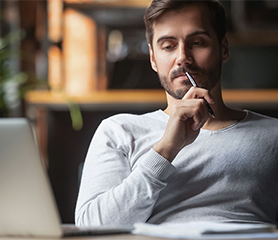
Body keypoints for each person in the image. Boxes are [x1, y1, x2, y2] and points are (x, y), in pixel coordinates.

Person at [75, 0, 278, 227]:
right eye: (168, 46)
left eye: (197, 42)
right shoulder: (119, 131)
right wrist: (164, 151)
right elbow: (91, 227)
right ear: (153, 58)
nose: (182, 57)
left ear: (224, 49)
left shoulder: (273, 135)